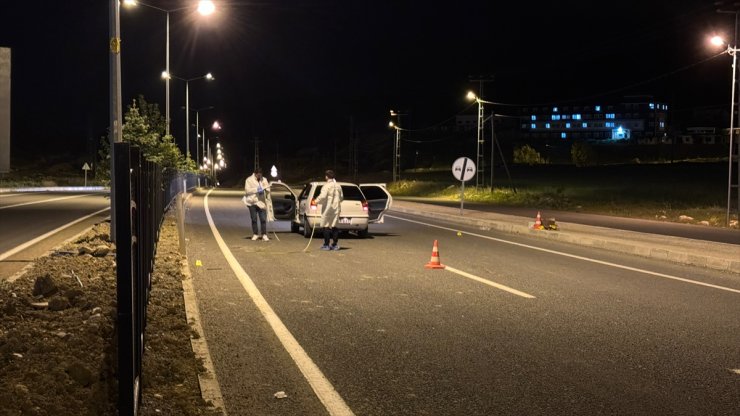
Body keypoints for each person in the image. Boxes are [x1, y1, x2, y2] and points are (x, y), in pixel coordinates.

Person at [314, 169, 343, 251]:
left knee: (326, 225)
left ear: (326, 176)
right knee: (335, 225)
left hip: (328, 208)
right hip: (336, 208)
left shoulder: (326, 186)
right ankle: (335, 244)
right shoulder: (338, 186)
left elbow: (322, 196)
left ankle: (326, 245)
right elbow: (341, 197)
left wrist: (315, 201)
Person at [243, 168, 273, 241]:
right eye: (258, 175)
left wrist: (266, 190)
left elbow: (268, 189)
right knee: (254, 219)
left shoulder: (264, 179)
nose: (259, 176)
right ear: (255, 174)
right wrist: (257, 189)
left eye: (260, 175)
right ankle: (255, 234)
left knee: (263, 219)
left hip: (261, 202)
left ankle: (264, 234)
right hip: (252, 202)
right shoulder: (249, 180)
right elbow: (247, 191)